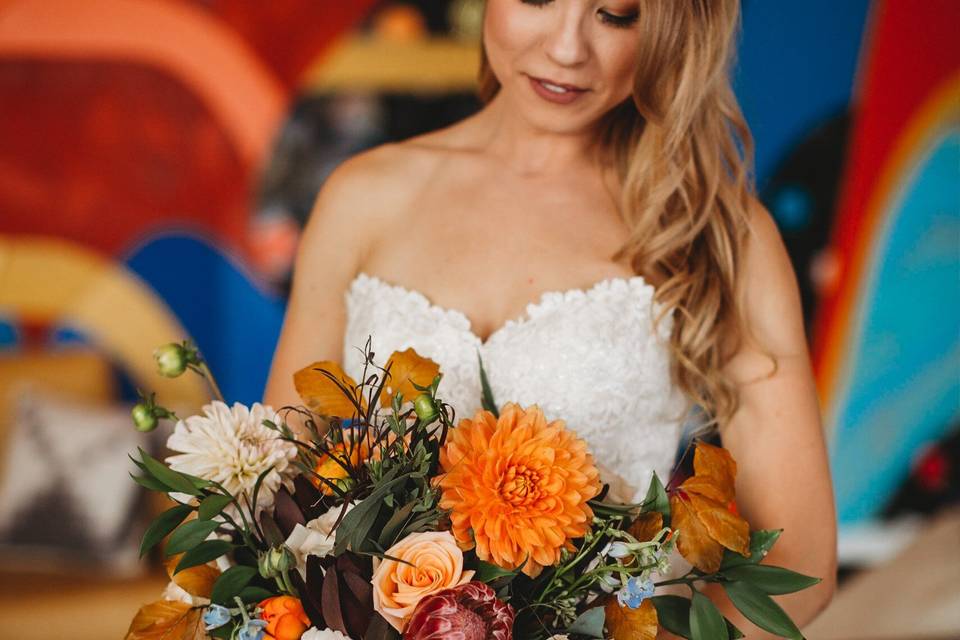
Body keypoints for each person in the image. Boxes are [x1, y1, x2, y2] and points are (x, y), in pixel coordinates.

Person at [264, 0, 836, 634]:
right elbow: (274, 494)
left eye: (616, 14)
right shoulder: (361, 197)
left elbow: (799, 560)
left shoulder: (719, 234)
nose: (567, 48)